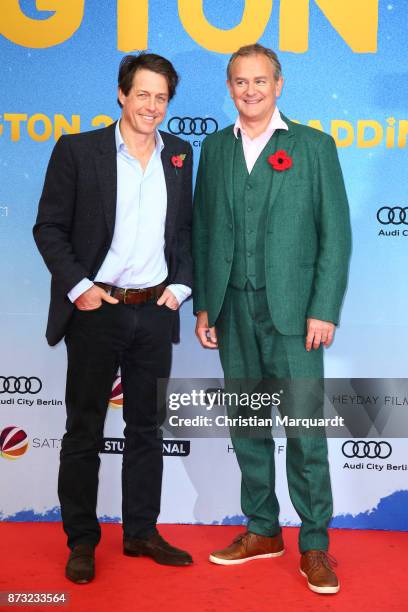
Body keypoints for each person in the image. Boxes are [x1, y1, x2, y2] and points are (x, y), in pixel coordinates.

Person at [193, 44, 351, 594]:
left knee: (305, 432)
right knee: (250, 427)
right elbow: (206, 230)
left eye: (261, 81)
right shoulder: (213, 148)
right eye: (240, 82)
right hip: (233, 311)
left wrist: (323, 309)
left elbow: (336, 235)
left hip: (295, 317)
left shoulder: (313, 146)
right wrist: (207, 304)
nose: (251, 91)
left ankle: (314, 545)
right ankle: (262, 530)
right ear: (230, 87)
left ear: (278, 85)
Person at [33, 53, 194, 583]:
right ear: (122, 95)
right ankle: (81, 541)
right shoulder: (79, 151)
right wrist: (79, 289)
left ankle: (141, 532)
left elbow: (186, 232)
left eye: (161, 97)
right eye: (142, 94)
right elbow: (49, 228)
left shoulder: (180, 155)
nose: (151, 106)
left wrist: (180, 287)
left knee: (146, 428)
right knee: (84, 430)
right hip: (96, 310)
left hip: (153, 312)